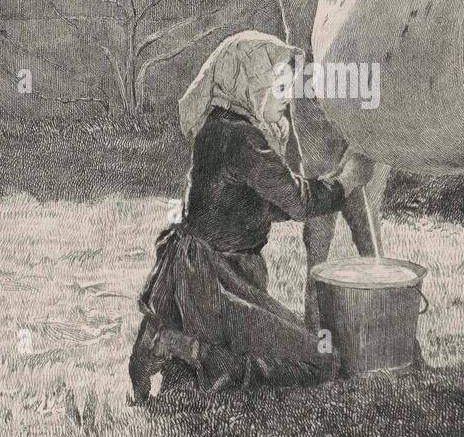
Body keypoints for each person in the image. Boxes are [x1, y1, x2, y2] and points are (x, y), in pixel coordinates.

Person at [128, 30, 373, 402]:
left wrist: (318, 192)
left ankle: (182, 350)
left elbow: (260, 204)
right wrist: (346, 181)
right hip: (216, 280)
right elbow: (299, 202)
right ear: (251, 84)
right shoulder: (243, 139)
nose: (288, 99)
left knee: (299, 354)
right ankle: (177, 345)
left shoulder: (217, 128)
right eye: (280, 88)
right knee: (316, 363)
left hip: (201, 272)